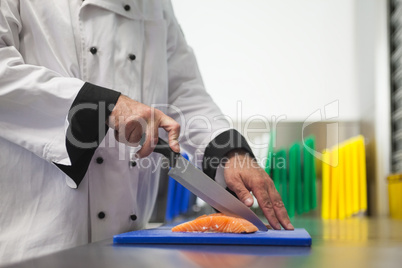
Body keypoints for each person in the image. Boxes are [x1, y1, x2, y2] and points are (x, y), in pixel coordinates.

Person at [0, 0, 293, 265]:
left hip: (127, 241)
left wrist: (229, 151)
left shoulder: (155, 5)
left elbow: (182, 90)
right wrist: (101, 105)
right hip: (41, 240)